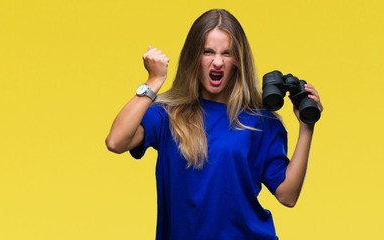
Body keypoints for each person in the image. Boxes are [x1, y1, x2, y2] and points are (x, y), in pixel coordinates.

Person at [106, 9, 323, 240]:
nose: (217, 62)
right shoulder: (167, 115)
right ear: (193, 57)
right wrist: (154, 81)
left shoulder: (260, 121)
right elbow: (116, 141)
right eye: (208, 52)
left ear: (238, 60)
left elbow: (288, 195)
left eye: (227, 53)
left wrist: (306, 127)